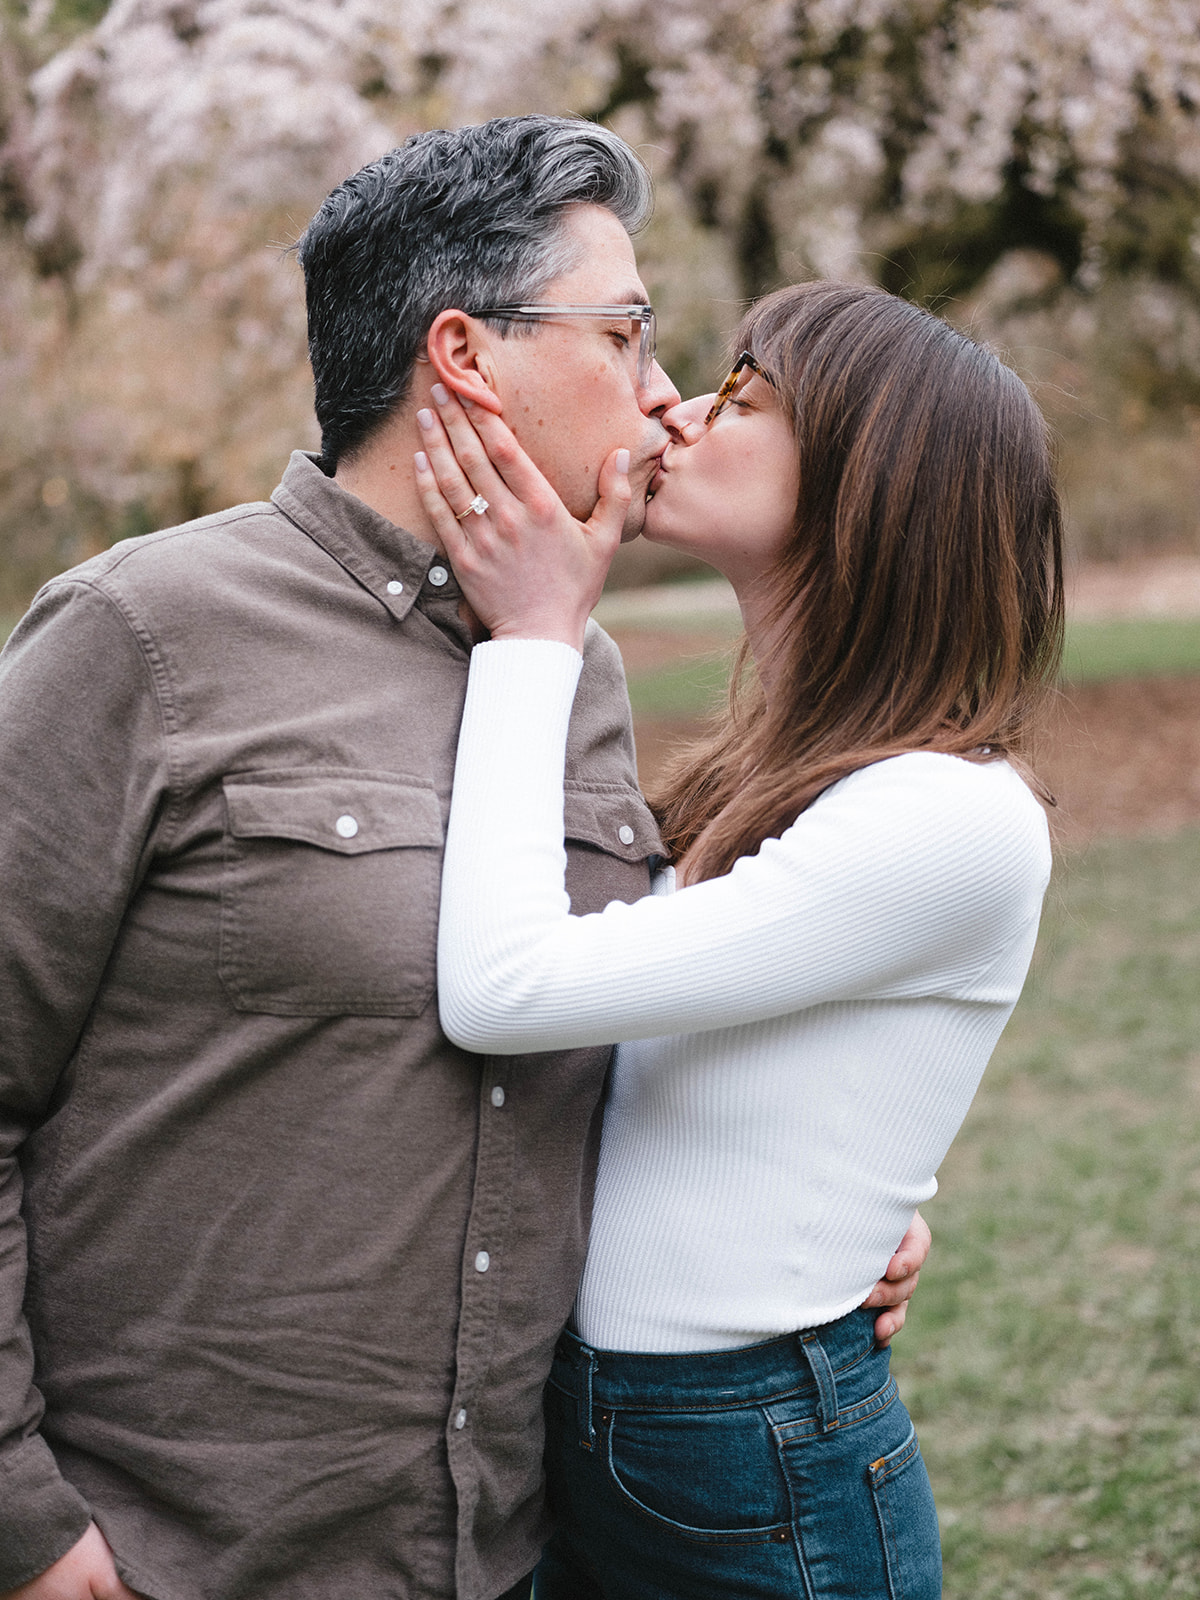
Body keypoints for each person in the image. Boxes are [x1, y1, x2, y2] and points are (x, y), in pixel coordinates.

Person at [0, 121, 924, 1600]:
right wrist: (24, 1524)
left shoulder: (580, 676)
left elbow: (578, 1031)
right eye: (625, 333)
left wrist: (803, 1203)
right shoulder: (141, 633)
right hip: (177, 1557)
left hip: (514, 1549)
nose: (664, 389)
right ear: (465, 355)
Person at [414, 279, 1065, 1599]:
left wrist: (536, 637)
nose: (678, 412)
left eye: (743, 401)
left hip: (748, 1460)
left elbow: (502, 987)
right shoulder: (776, 778)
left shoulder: (950, 815)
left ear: (870, 484)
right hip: (613, 1423)